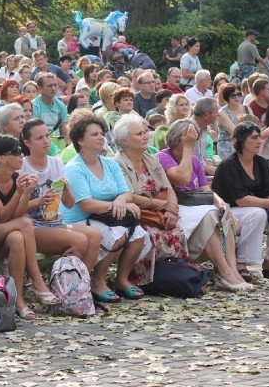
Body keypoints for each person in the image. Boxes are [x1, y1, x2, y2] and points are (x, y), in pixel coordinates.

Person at [57, 111, 148, 304]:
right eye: (94, 134)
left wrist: (121, 202)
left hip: (106, 216)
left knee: (138, 234)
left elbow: (126, 193)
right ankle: (97, 281)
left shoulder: (110, 163)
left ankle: (121, 280)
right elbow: (86, 204)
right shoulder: (75, 167)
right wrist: (115, 205)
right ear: (80, 140)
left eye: (101, 133)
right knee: (117, 234)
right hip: (78, 220)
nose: (101, 138)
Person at [0, 135, 62, 319]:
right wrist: (20, 192)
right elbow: (2, 215)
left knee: (17, 238)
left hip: (3, 231)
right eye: (17, 152)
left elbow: (16, 214)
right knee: (26, 223)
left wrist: (26, 193)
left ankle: (18, 301)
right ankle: (37, 279)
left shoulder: (16, 177)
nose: (22, 155)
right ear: (2, 158)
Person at [158, 119, 254, 291]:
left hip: (197, 208)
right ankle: (225, 272)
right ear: (180, 139)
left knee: (224, 213)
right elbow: (182, 178)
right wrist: (187, 149)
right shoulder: (164, 157)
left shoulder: (193, 160)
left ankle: (232, 270)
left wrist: (220, 202)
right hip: (179, 208)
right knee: (210, 216)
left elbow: (205, 189)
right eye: (191, 137)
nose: (195, 141)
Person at [111, 115, 190, 287]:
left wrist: (171, 210)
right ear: (125, 140)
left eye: (146, 132)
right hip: (139, 215)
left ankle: (171, 278)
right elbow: (129, 196)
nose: (146, 136)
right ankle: (144, 280)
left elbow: (168, 188)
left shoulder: (151, 158)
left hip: (161, 213)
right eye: (139, 133)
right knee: (150, 234)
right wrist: (162, 205)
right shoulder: (117, 164)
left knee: (177, 231)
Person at [211, 122, 269, 281]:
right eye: (254, 138)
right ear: (242, 141)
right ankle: (241, 262)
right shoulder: (229, 165)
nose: (259, 141)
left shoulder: (261, 162)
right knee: (257, 214)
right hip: (227, 211)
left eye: (260, 137)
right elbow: (241, 200)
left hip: (251, 209)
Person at [19, 119, 101, 268]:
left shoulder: (56, 163)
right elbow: (16, 209)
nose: (46, 141)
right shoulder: (21, 167)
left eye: (47, 135)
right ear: (27, 143)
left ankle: (83, 285)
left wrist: (67, 189)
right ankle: (64, 284)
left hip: (55, 222)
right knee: (79, 240)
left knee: (95, 236)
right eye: (39, 138)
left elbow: (69, 204)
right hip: (31, 226)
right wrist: (39, 201)